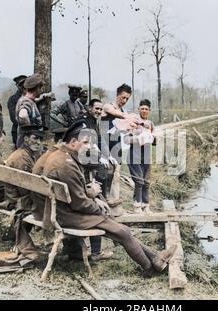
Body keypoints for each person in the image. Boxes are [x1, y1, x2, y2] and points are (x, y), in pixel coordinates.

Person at [41, 119, 177, 273]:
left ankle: (155, 258)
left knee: (121, 230)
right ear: (73, 142)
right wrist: (98, 207)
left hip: (64, 211)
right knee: (122, 231)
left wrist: (95, 199)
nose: (89, 147)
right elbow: (80, 203)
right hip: (67, 216)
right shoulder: (66, 164)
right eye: (85, 142)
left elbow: (75, 193)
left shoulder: (62, 156)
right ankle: (150, 268)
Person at [101, 83, 132, 209]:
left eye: (127, 99)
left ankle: (115, 203)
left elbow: (125, 129)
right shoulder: (108, 106)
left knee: (116, 174)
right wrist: (128, 117)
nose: (124, 101)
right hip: (105, 143)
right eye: (123, 97)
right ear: (117, 95)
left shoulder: (123, 111)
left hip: (116, 144)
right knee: (106, 171)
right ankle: (104, 199)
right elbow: (116, 114)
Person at [1, 125, 44, 211]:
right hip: (18, 200)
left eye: (40, 139)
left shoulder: (25, 153)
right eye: (35, 138)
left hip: (18, 195)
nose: (38, 142)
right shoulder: (21, 158)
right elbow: (24, 188)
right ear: (26, 139)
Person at [125, 99, 155, 214]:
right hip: (134, 155)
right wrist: (138, 139)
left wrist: (153, 138)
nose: (144, 111)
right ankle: (137, 206)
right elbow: (126, 140)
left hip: (146, 156)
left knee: (146, 182)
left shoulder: (151, 124)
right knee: (139, 182)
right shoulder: (133, 122)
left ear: (149, 111)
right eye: (142, 108)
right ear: (139, 110)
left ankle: (146, 205)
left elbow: (154, 140)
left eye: (146, 109)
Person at [16, 74, 44, 148]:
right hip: (27, 142)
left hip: (28, 141)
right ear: (37, 88)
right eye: (40, 88)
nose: (41, 91)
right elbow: (23, 115)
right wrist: (30, 131)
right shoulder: (26, 102)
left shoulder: (29, 100)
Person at [8, 75, 27, 147]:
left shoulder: (32, 97)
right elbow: (13, 117)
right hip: (18, 131)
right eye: (20, 85)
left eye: (25, 84)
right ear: (17, 86)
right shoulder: (13, 99)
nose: (23, 86)